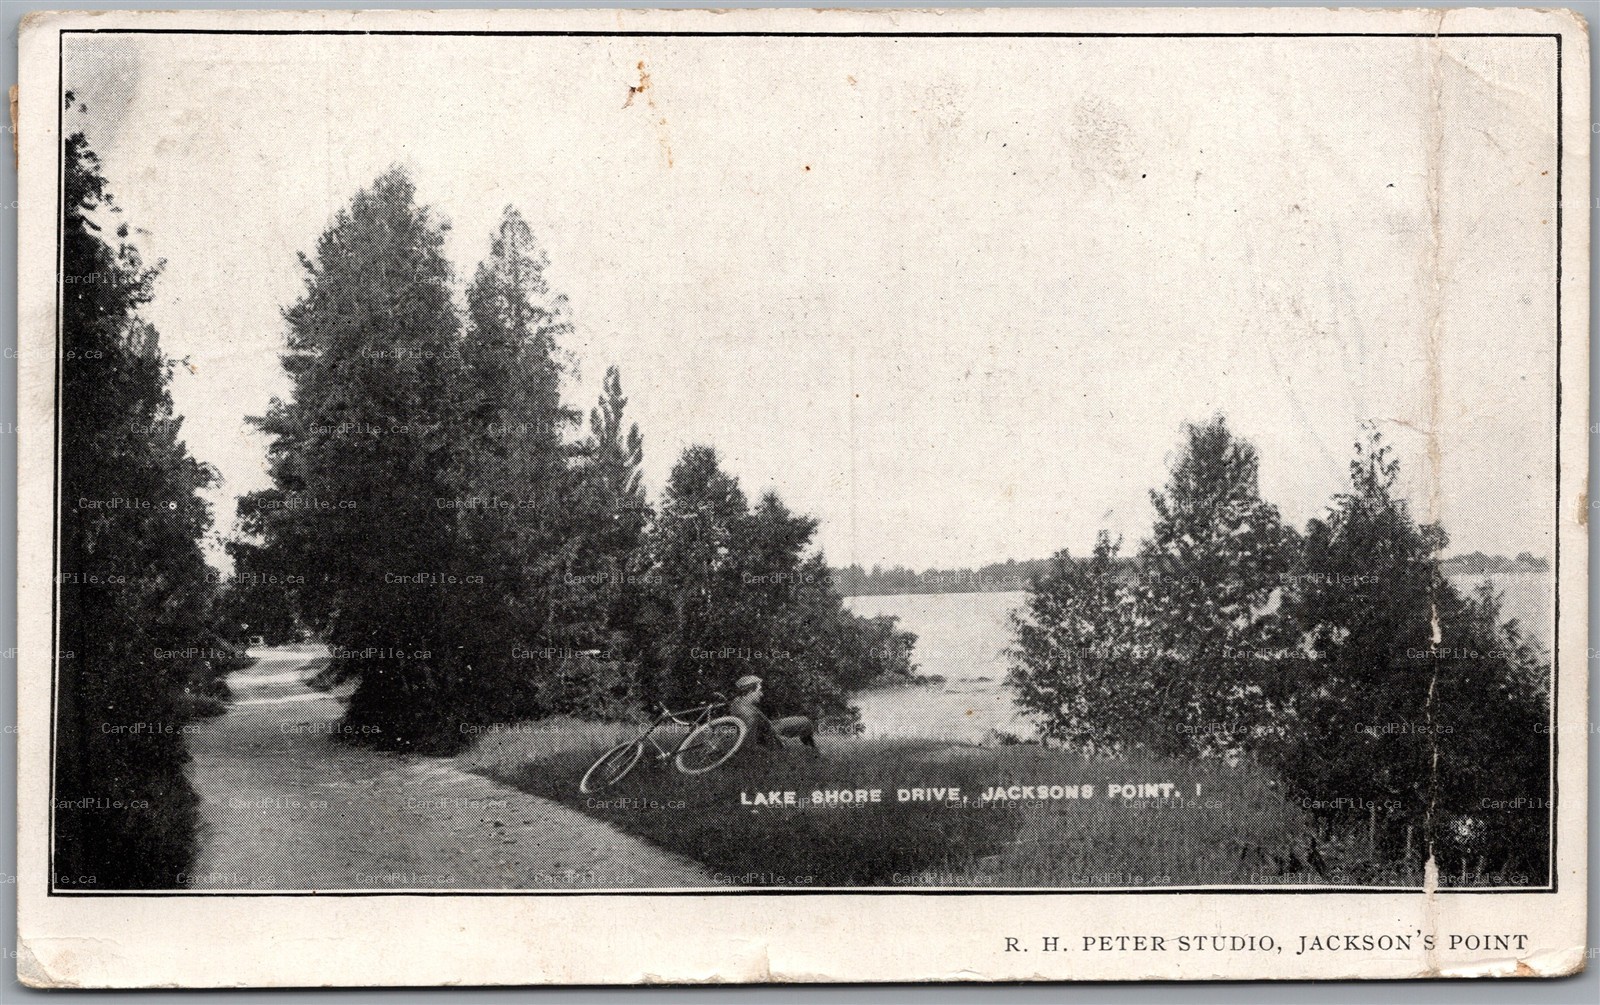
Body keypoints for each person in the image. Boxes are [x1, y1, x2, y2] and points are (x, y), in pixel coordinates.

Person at [728, 674, 818, 753]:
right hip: (771, 736)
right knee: (805, 724)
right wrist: (783, 743)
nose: (761, 694)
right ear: (750, 691)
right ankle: (812, 750)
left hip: (769, 727)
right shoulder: (750, 715)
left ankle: (811, 747)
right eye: (759, 691)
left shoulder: (737, 702)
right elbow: (750, 745)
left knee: (804, 721)